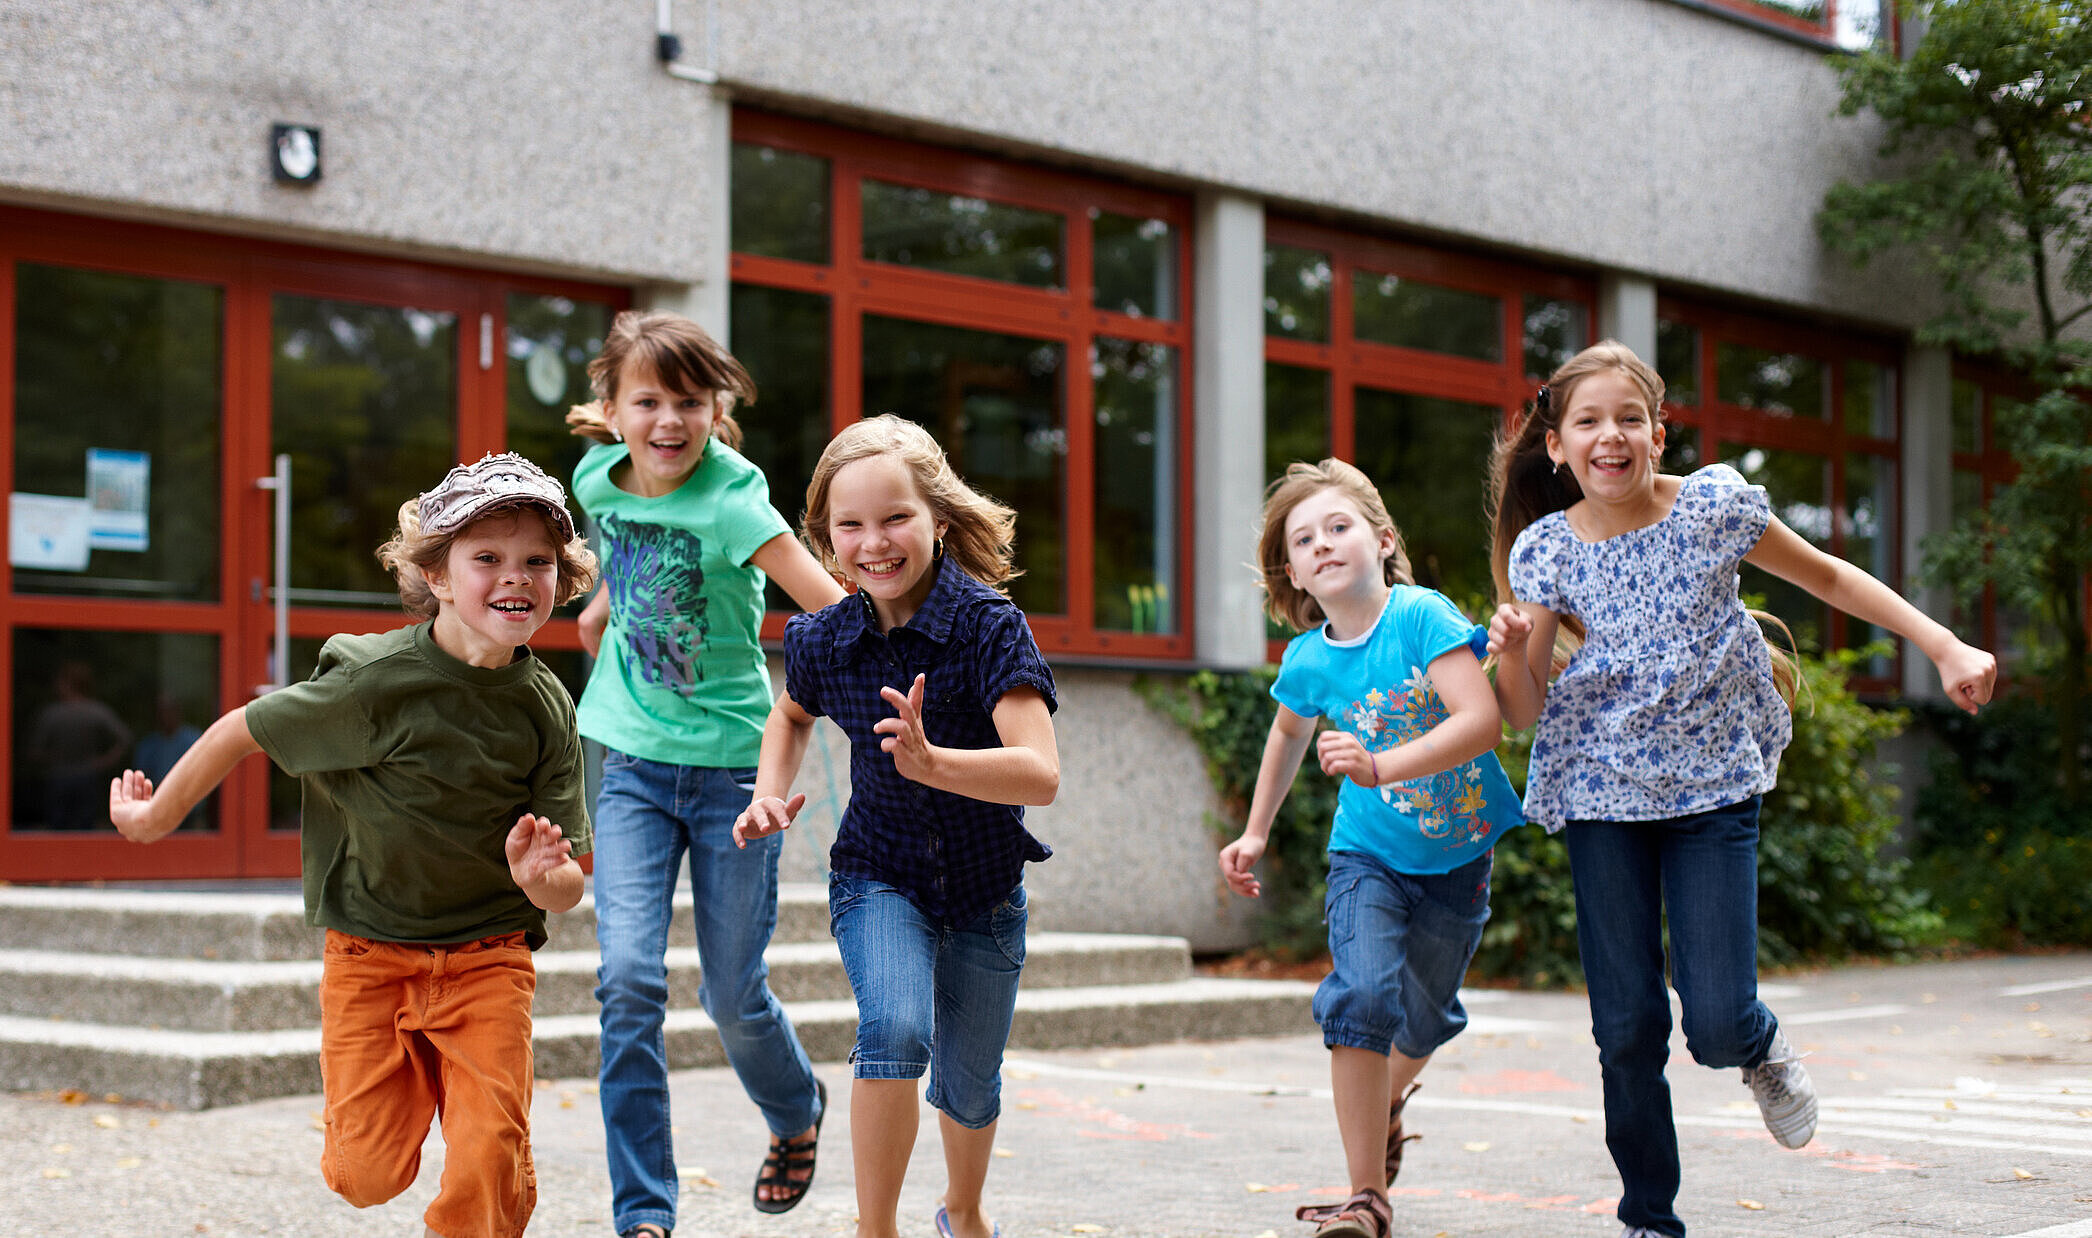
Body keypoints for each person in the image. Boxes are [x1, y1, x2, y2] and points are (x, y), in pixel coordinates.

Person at [1485, 340, 1996, 1238]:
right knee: (1626, 1028)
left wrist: (1943, 644)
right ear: (1557, 446)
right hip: (1602, 793)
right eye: (1588, 422)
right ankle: (1649, 1217)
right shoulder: (1545, 552)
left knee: (1716, 1021)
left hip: (1713, 785)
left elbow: (1828, 574)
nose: (1611, 436)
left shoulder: (1711, 508)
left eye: (1630, 418)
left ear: (1659, 433)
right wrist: (1512, 652)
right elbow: (1523, 712)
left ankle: (1757, 1045)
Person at [108, 452, 599, 1238]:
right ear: (436, 576)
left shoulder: (547, 707)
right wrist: (156, 818)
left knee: (487, 1155)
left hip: (488, 957)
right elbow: (242, 730)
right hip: (372, 956)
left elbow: (568, 883)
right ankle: (434, 1101)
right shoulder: (372, 683)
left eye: (537, 562)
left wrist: (544, 877)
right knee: (364, 1176)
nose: (515, 576)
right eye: (487, 558)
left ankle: (487, 1152)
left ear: (560, 579)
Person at [733, 414, 1059, 1238]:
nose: (873, 542)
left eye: (895, 518)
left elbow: (1041, 773)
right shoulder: (823, 638)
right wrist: (769, 791)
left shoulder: (987, 626)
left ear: (939, 518)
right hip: (878, 876)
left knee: (970, 1084)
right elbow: (790, 715)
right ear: (826, 538)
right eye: (850, 525)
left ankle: (964, 1211)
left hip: (986, 889)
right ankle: (874, 1229)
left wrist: (934, 761)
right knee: (894, 1028)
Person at [565, 309, 847, 1235]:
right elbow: (627, 549)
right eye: (648, 401)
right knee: (627, 983)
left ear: (716, 410)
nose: (669, 421)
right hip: (633, 766)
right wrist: (602, 614)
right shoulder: (595, 480)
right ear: (613, 410)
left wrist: (828, 717)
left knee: (731, 993)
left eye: (690, 402)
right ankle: (644, 1211)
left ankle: (795, 1106)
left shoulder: (735, 503)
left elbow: (833, 612)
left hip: (734, 777)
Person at [1217, 458, 1525, 1238]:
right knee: (1360, 1000)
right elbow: (1288, 735)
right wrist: (1255, 830)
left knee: (1421, 1023)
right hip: (1367, 858)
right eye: (1304, 540)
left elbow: (1482, 720)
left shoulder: (1421, 617)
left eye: (1338, 526)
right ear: (1293, 573)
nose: (1323, 543)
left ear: (1382, 540)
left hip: (1459, 858)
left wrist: (1382, 764)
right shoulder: (1308, 659)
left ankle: (1385, 1101)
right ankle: (1366, 1198)